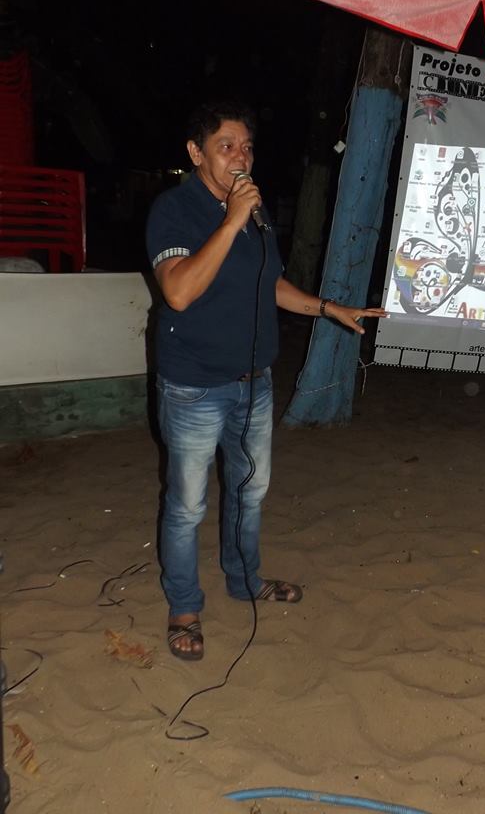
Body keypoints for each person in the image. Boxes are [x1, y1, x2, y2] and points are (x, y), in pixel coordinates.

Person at [146, 99, 387, 660]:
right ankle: (184, 606)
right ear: (196, 152)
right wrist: (231, 219)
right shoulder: (175, 210)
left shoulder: (255, 212)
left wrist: (327, 307)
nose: (241, 157)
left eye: (247, 147)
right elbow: (178, 291)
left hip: (254, 383)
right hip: (195, 386)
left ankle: (245, 580)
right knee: (187, 506)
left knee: (249, 491)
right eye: (226, 146)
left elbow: (269, 282)